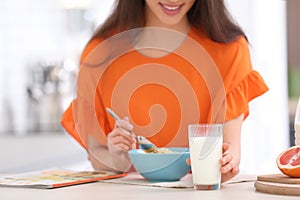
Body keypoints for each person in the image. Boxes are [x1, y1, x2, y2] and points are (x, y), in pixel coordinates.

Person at [61, 0, 268, 183]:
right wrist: (117, 157)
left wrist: (225, 164)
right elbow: (98, 154)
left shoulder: (230, 51)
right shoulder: (100, 54)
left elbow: (230, 149)